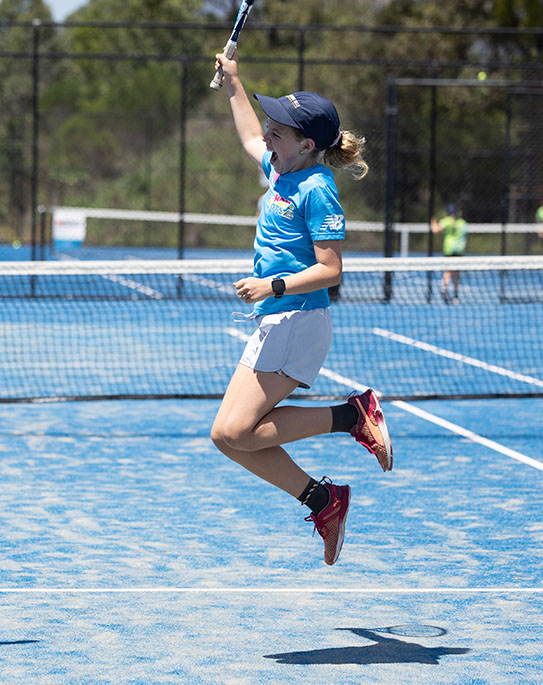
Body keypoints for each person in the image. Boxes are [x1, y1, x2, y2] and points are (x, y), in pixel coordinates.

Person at [209, 52, 393, 567]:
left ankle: (352, 415)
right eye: (271, 126)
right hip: (279, 320)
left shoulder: (318, 190)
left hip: (298, 319)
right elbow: (248, 135)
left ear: (306, 144)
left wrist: (273, 285)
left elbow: (331, 270)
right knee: (228, 437)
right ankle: (324, 500)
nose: (267, 135)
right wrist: (234, 82)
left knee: (235, 432)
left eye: (278, 131)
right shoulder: (278, 167)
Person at [430, 203, 467, 303]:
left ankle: (444, 291)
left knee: (447, 272)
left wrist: (433, 222)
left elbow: (435, 229)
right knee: (457, 273)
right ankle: (455, 294)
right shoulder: (462, 223)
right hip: (459, 251)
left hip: (449, 250)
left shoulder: (446, 221)